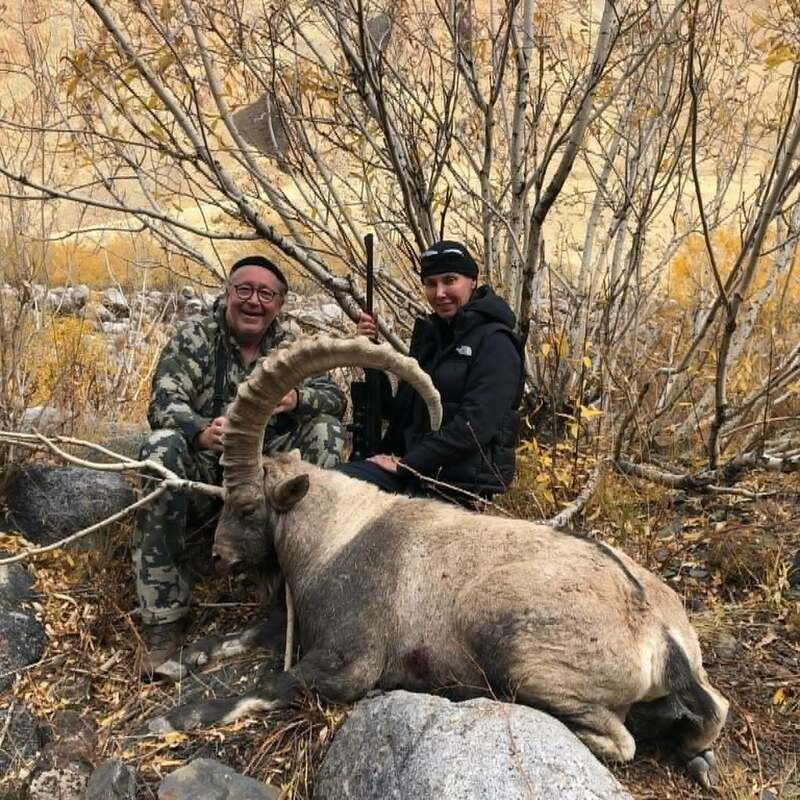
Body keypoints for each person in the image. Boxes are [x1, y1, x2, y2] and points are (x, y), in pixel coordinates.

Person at [135, 254, 346, 674]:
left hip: (265, 483)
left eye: (265, 294)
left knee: (326, 432)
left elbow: (334, 400)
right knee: (159, 450)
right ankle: (163, 620)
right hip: (209, 470)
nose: (253, 301)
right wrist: (200, 430)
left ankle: (301, 593)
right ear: (228, 293)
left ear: (279, 304)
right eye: (244, 290)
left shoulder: (290, 346)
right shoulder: (196, 337)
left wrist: (296, 399)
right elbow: (163, 403)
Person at [337, 240, 524, 503]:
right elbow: (399, 413)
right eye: (431, 284)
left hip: (456, 482)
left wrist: (407, 464)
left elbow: (475, 426)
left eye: (450, 280)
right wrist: (370, 356)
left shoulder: (496, 342)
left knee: (337, 487)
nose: (440, 293)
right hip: (415, 471)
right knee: (328, 483)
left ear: (472, 280)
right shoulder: (432, 337)